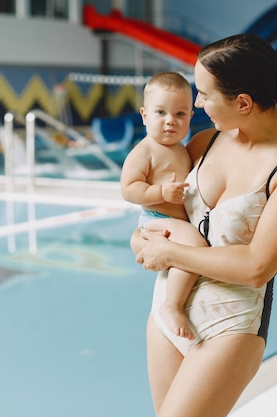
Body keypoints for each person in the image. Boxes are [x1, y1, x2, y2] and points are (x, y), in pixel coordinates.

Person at [131, 34, 277, 417]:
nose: (197, 103)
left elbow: (256, 267)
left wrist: (169, 251)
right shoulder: (205, 142)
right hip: (168, 309)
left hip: (230, 325)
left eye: (204, 94)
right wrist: (141, 239)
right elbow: (162, 215)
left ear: (243, 103)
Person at [121, 71, 209, 340]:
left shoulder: (183, 149)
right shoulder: (144, 150)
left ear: (190, 117)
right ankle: (172, 305)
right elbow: (129, 189)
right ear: (145, 115)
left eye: (180, 114)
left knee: (189, 246)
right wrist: (161, 192)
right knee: (195, 247)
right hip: (156, 217)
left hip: (174, 222)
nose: (170, 121)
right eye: (161, 113)